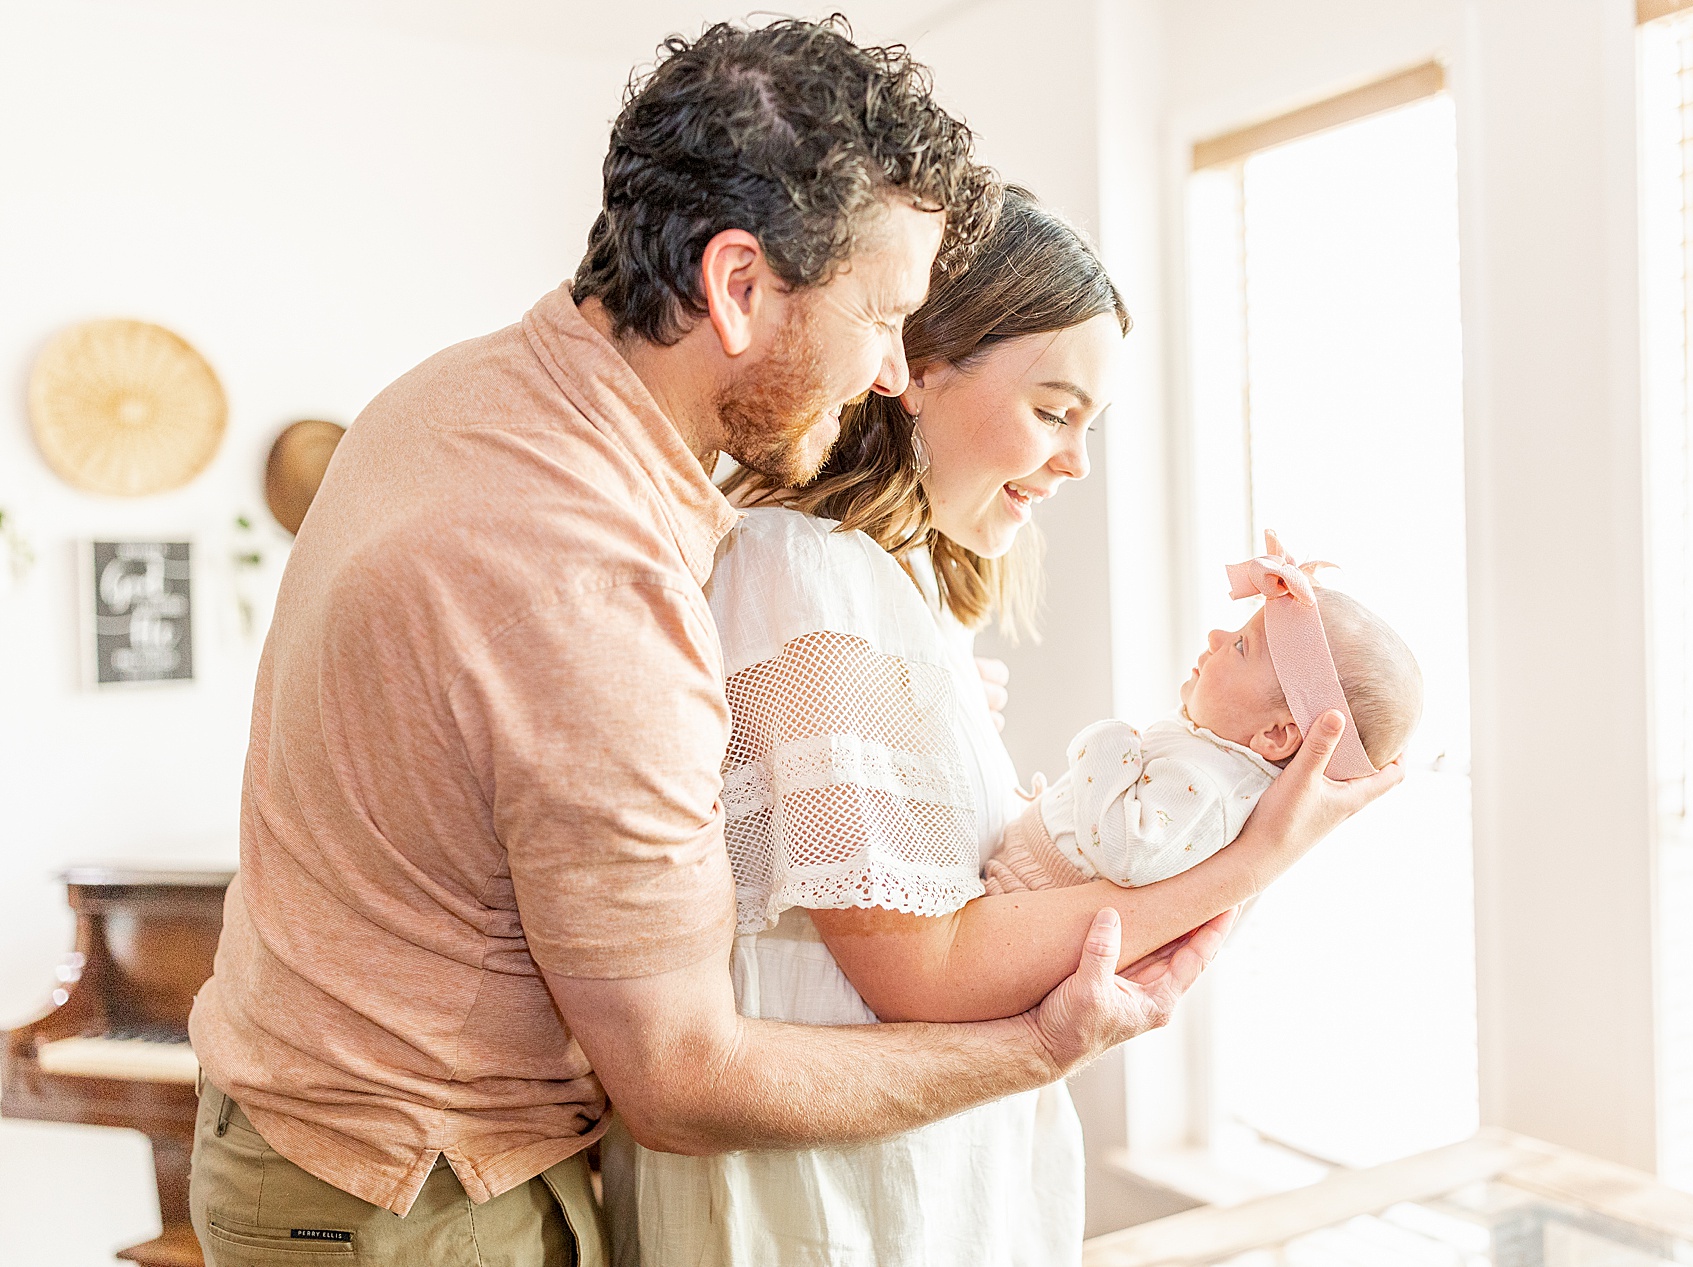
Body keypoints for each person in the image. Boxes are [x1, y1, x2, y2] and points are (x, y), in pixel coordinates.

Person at [185, 23, 1265, 1266]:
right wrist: (1045, 1044)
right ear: (737, 286)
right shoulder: (591, 581)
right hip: (401, 1186)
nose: (883, 375)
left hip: (346, 1133)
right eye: (881, 317)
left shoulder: (471, 391)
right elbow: (683, 1081)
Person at [607, 187, 1404, 1266]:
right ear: (918, 368)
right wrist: (1246, 865)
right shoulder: (809, 571)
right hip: (833, 1196)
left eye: (1090, 423)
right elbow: (920, 973)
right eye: (1053, 409)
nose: (1075, 461)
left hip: (898, 1167)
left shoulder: (894, 591)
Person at [984, 533, 1423, 894]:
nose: (1216, 636)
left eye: (1240, 646)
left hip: (1023, 893)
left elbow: (1127, 853)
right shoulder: (1210, 756)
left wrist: (1105, 742)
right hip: (1023, 879)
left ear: (1274, 735)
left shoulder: (1210, 785)